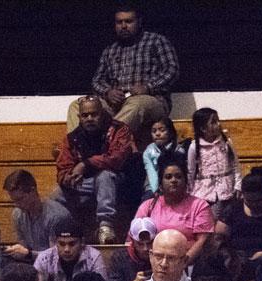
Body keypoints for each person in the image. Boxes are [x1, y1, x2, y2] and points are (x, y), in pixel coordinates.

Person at [67, 5, 179, 144]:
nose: (124, 26)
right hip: (117, 104)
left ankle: (106, 145)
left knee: (137, 104)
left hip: (150, 100)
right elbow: (97, 80)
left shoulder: (156, 41)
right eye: (119, 22)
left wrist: (148, 87)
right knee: (78, 105)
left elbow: (172, 70)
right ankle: (75, 147)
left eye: (128, 21)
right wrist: (108, 92)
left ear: (139, 22)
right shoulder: (110, 50)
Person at [54, 96, 134, 244]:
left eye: (94, 114)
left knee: (104, 177)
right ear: (79, 117)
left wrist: (86, 164)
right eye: (85, 115)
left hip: (118, 181)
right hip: (85, 184)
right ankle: (64, 234)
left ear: (102, 113)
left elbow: (116, 158)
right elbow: (62, 169)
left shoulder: (118, 129)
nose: (89, 118)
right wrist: (69, 178)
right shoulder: (72, 138)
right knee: (56, 196)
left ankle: (105, 227)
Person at [0, 169, 74, 278]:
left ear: (33, 191)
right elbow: (24, 246)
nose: (17, 204)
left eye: (20, 199)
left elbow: (57, 257)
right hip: (30, 262)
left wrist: (28, 253)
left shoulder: (56, 216)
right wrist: (14, 251)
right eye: (14, 201)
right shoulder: (18, 214)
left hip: (52, 267)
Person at [133, 152, 215, 263]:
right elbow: (136, 237)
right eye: (168, 177)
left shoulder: (199, 206)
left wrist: (180, 265)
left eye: (178, 176)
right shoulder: (148, 206)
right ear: (160, 183)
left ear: (186, 181)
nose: (173, 180)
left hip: (190, 265)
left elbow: (202, 241)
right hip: (154, 265)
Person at [187, 107, 242, 225]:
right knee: (209, 224)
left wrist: (238, 185)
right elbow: (190, 172)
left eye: (218, 120)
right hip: (205, 194)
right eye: (213, 122)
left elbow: (235, 165)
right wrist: (189, 194)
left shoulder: (226, 142)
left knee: (227, 223)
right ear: (202, 128)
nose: (218, 124)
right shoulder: (194, 147)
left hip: (227, 191)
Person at [34, 218, 108, 281]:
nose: (67, 249)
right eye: (61, 244)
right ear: (55, 243)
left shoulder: (94, 257)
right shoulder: (44, 258)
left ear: (82, 242)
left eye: (72, 244)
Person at [107, 217, 155, 281]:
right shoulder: (119, 258)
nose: (146, 248)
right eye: (140, 244)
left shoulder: (162, 257)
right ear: (132, 241)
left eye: (149, 243)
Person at [142, 117, 183, 198]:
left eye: (162, 130)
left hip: (174, 185)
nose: (157, 134)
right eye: (154, 131)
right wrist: (156, 190)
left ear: (170, 132)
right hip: (152, 188)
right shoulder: (148, 151)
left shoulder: (179, 150)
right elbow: (151, 172)